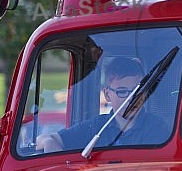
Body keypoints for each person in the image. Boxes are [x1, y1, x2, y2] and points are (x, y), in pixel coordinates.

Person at [36, 57, 170, 152]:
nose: (131, 99)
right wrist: (49, 142)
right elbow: (46, 138)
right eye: (122, 91)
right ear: (107, 95)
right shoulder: (95, 127)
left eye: (137, 91)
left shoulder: (157, 127)